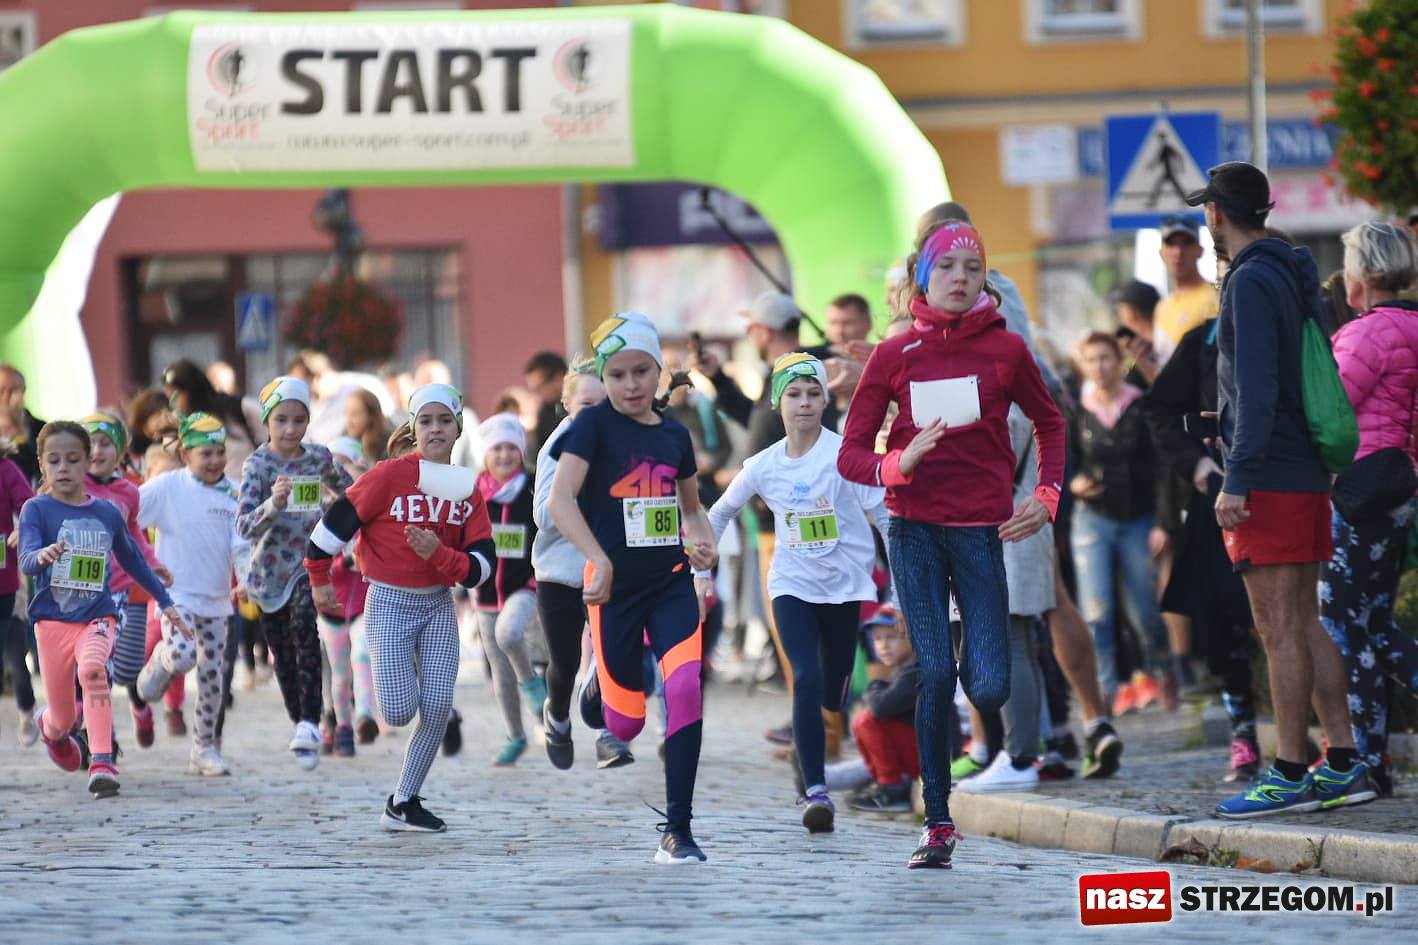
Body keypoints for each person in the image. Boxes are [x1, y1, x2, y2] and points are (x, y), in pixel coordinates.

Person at [838, 219, 1065, 870]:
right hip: (912, 527)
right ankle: (937, 819)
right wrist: (896, 461)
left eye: (973, 269)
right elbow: (853, 454)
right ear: (923, 278)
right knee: (935, 669)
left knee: (987, 684)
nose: (961, 279)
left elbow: (1050, 423)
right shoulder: (895, 351)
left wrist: (1045, 495)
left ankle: (967, 695)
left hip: (980, 529)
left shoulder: (1007, 351)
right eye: (947, 268)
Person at [1189, 162, 1375, 818]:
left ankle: (1292, 769)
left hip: (1267, 473)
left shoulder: (1248, 280)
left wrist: (1235, 478)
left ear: (1216, 214)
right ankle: (1346, 760)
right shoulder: (1293, 268)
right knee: (1303, 619)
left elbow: (1258, 387)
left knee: (1276, 626)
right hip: (1304, 468)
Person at [549, 313, 718, 863]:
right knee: (626, 722)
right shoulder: (591, 427)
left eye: (641, 371)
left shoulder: (675, 435)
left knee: (687, 689)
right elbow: (560, 501)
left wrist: (704, 551)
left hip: (670, 584)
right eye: (618, 374)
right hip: (614, 594)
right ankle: (595, 690)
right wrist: (598, 559)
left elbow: (692, 511)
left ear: (659, 371)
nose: (630, 385)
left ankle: (679, 830)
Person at [706, 352, 890, 833]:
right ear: (778, 403)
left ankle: (829, 715)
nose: (805, 403)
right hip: (791, 585)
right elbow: (721, 511)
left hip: (847, 585)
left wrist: (904, 578)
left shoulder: (844, 455)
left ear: (825, 402)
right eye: (794, 394)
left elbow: (886, 515)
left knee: (832, 691)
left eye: (813, 394)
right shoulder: (764, 465)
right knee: (804, 678)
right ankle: (816, 790)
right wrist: (699, 556)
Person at [305, 383, 496, 833]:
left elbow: (482, 569)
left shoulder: (466, 489)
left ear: (458, 428)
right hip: (388, 602)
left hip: (437, 606)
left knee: (435, 705)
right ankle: (399, 686)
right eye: (426, 421)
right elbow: (329, 531)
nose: (435, 430)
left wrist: (439, 555)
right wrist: (318, 582)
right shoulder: (389, 476)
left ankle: (403, 801)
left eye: (444, 421)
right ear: (413, 428)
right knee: (397, 711)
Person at [19, 421, 191, 797]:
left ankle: (101, 761)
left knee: (95, 669)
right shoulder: (37, 510)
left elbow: (134, 562)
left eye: (72, 460)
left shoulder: (107, 513)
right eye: (54, 461)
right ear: (43, 466)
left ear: (86, 465)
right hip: (52, 622)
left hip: (98, 613)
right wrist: (42, 556)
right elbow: (27, 557)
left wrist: (166, 602)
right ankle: (53, 732)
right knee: (63, 716)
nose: (63, 468)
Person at [1319, 221, 1418, 798]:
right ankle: (1373, 763)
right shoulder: (1412, 328)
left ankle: (1362, 760)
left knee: (1342, 625)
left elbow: (1331, 413)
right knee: (1375, 622)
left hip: (1357, 489)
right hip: (1400, 489)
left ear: (1363, 272)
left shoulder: (1365, 335)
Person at [1143, 315, 1261, 783]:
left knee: (1293, 623)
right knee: (1223, 617)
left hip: (1286, 488)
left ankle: (1325, 744)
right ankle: (1245, 735)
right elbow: (1160, 410)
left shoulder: (1286, 323)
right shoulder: (1204, 336)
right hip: (1217, 497)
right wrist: (1195, 465)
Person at [237, 377, 353, 771]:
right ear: (268, 421)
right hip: (269, 572)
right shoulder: (258, 464)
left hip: (309, 564)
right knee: (282, 654)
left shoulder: (318, 458)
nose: (290, 430)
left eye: (299, 420)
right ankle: (299, 721)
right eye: (282, 420)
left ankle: (311, 721)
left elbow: (350, 492)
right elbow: (244, 527)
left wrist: (347, 515)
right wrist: (274, 503)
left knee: (306, 627)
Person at [132, 412, 250, 775]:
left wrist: (245, 578)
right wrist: (143, 561)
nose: (214, 461)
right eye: (205, 454)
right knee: (182, 656)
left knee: (213, 677)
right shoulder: (167, 487)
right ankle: (156, 667)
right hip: (175, 596)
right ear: (186, 455)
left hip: (217, 601)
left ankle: (204, 749)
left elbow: (242, 543)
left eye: (219, 453)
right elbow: (128, 516)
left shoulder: (233, 493)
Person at [1067, 332, 1177, 715]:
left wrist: (1163, 523)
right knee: (1097, 611)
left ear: (1118, 360)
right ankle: (1106, 693)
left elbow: (1164, 468)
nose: (1099, 366)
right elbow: (1064, 459)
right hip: (1092, 519)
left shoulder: (1139, 405)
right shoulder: (1076, 407)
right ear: (1082, 365)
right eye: (1091, 359)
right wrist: (1073, 482)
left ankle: (1163, 670)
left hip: (1137, 517)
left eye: (1105, 357)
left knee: (1146, 609)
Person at [532, 357, 633, 770]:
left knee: (615, 654)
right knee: (564, 663)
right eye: (586, 404)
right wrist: (582, 501)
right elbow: (542, 514)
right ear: (568, 406)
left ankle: (609, 734)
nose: (596, 413)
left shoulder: (625, 440)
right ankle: (557, 715)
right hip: (561, 571)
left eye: (603, 403)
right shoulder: (557, 448)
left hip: (610, 568)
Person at [956, 405, 1057, 793]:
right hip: (1015, 529)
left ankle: (1019, 758)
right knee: (1018, 644)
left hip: (1009, 530)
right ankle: (1021, 753)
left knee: (1010, 642)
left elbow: (993, 470)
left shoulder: (1010, 407)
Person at [79, 413, 173, 751]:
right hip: (84, 595)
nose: (96, 451)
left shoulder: (128, 491)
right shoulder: (70, 488)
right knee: (95, 669)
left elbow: (136, 535)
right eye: (88, 443)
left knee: (127, 671)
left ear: (120, 451)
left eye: (105, 443)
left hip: (127, 590)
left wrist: (153, 563)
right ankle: (103, 738)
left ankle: (139, 704)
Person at [471, 412, 547, 766]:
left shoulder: (533, 488)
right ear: (485, 454)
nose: (504, 455)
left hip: (525, 586)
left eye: (510, 448)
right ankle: (515, 735)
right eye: (496, 449)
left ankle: (532, 684)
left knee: (510, 632)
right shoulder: (471, 494)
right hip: (485, 593)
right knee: (500, 674)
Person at [317, 435, 372, 757]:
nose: (336, 475)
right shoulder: (321, 516)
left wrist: (362, 558)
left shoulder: (366, 512)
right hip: (331, 608)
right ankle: (342, 725)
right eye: (331, 468)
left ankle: (366, 715)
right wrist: (342, 563)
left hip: (364, 604)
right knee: (338, 673)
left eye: (345, 465)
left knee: (363, 653)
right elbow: (315, 559)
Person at [846, 604, 921, 814]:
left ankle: (892, 788)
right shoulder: (901, 670)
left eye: (891, 637)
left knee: (866, 721)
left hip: (928, 758)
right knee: (863, 720)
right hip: (914, 751)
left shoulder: (916, 671)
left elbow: (880, 707)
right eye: (878, 639)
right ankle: (882, 781)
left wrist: (875, 683)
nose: (884, 646)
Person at [162, 359, 259, 482]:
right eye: (168, 398)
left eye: (176, 396)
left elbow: (270, 440)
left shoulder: (238, 408)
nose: (173, 404)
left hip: (251, 493)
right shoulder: (176, 427)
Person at [0, 439, 35, 743]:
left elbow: (29, 506)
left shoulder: (6, 468)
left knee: (14, 654)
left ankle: (27, 709)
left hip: (4, 584)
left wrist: (22, 528)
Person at [1153, 215, 1219, 362]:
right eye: (1170, 244)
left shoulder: (1213, 299)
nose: (1178, 252)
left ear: (1200, 251)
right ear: (1161, 253)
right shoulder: (1163, 306)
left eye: (1187, 243)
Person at [0, 364, 45, 484]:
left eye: (12, 391)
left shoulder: (42, 430)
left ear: (23, 391)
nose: (6, 398)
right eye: (1, 391)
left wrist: (18, 431)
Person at [1113, 280, 1162, 387]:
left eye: (1121, 308)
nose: (1119, 313)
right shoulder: (1135, 343)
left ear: (1131, 312)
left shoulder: (1151, 346)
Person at [523, 351, 569, 462]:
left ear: (559, 378)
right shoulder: (545, 412)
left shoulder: (584, 402)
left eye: (539, 388)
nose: (536, 395)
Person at [344, 389, 390, 465]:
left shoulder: (385, 447)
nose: (349, 421)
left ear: (371, 416)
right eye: (347, 414)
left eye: (355, 414)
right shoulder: (345, 440)